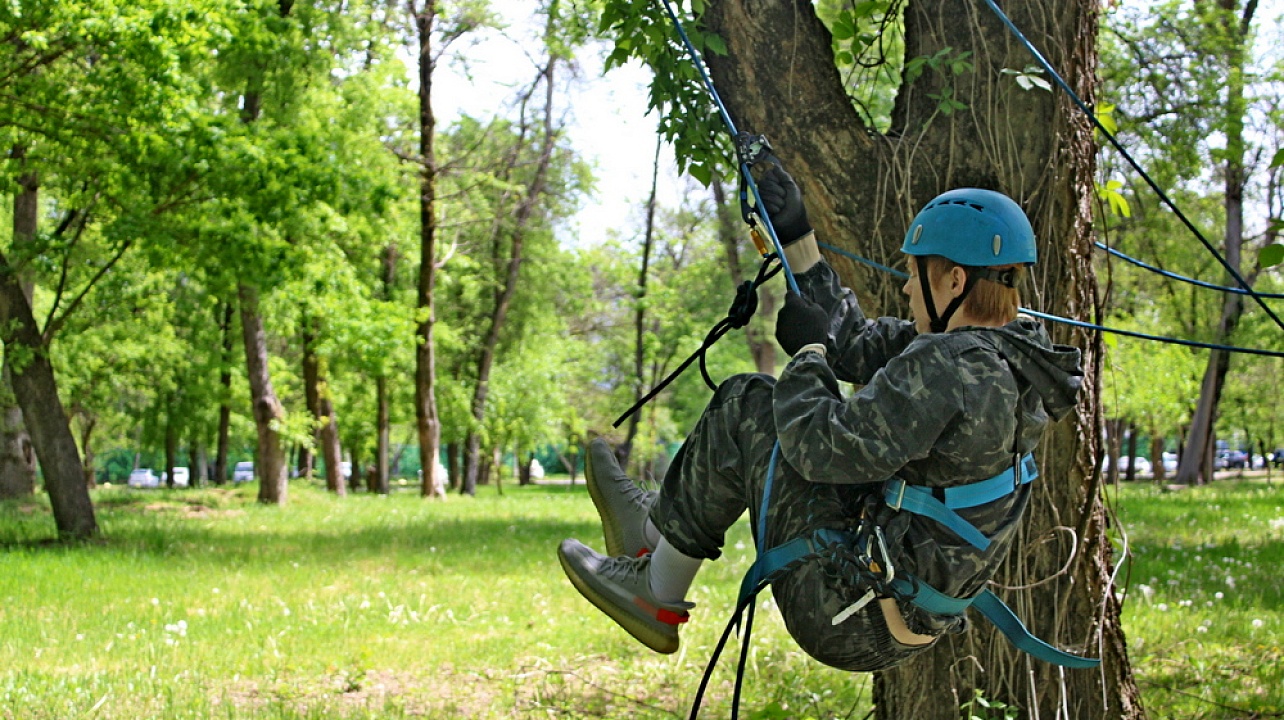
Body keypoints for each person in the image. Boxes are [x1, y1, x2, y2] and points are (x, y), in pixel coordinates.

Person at [557, 161, 1084, 671]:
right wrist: (798, 241)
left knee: (748, 404)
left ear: (953, 281)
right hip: (900, 604)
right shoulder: (1013, 358)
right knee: (756, 402)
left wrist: (807, 355)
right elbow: (853, 342)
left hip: (850, 613)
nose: (905, 288)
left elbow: (818, 448)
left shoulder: (949, 364)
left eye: (914, 273)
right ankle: (650, 533)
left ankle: (656, 590)